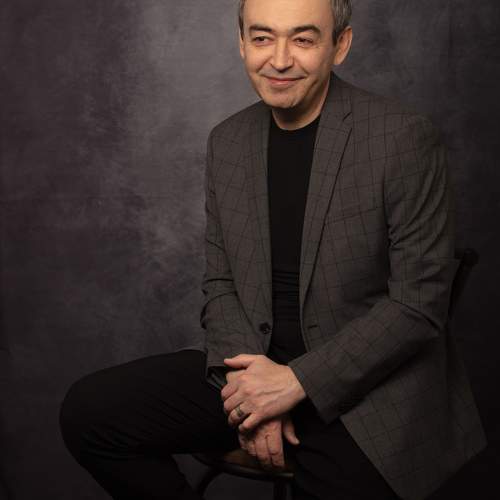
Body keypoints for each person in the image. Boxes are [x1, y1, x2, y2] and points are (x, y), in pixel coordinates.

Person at [59, 0, 488, 499]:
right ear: (242, 43)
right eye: (262, 38)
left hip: (368, 388)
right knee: (90, 414)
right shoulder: (228, 142)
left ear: (340, 45)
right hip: (257, 363)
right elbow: (221, 284)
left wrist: (294, 384)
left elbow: (418, 305)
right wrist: (252, 395)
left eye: (303, 39)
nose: (279, 60)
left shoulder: (403, 137)